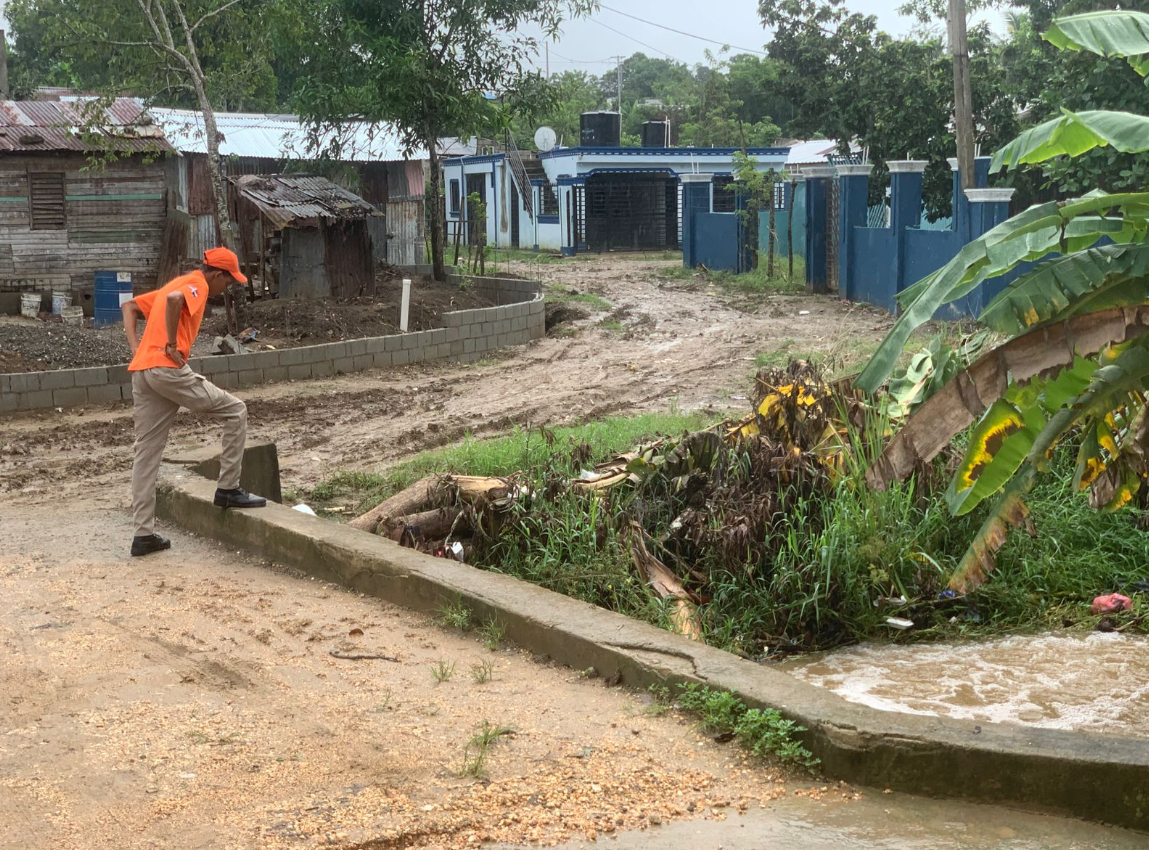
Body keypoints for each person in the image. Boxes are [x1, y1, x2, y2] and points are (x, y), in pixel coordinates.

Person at [122, 247, 266, 557]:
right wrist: (171, 344)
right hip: (167, 370)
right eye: (227, 281)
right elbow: (176, 301)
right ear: (216, 274)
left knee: (146, 454)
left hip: (143, 372)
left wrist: (136, 349)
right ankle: (228, 489)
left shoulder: (173, 284)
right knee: (236, 411)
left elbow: (129, 306)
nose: (226, 288)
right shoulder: (196, 284)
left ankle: (143, 535)